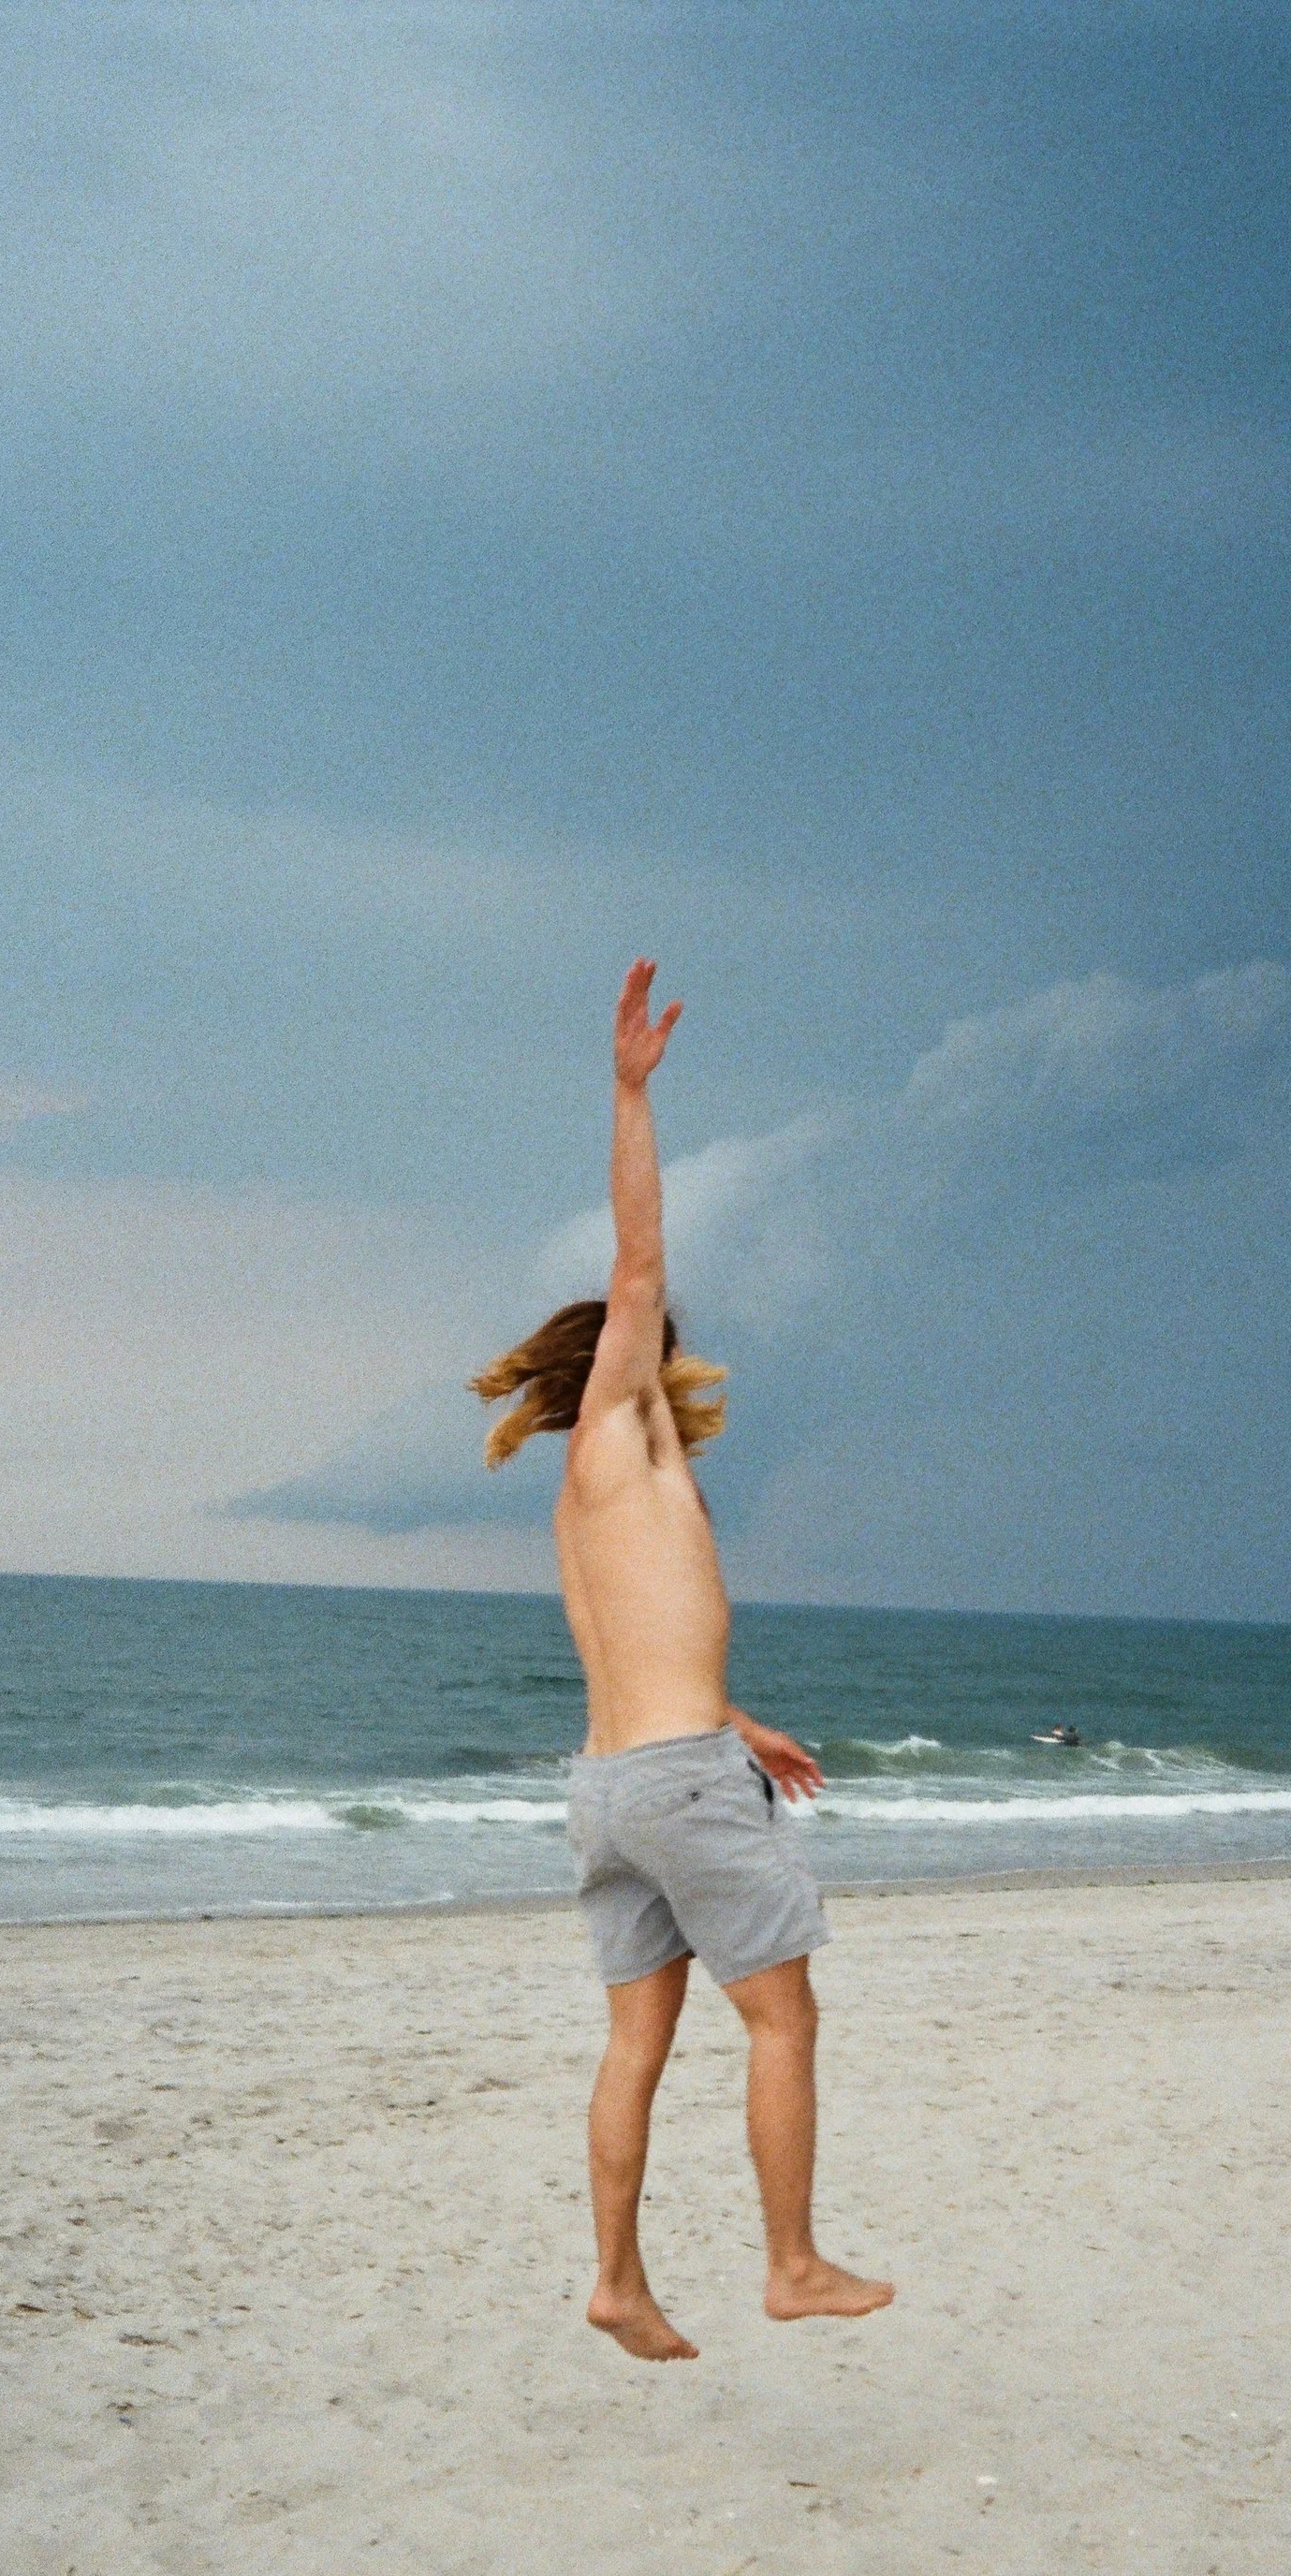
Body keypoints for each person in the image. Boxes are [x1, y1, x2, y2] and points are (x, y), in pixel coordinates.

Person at [469, 960, 894, 2364]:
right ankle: (789, 2260)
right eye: (650, 1346)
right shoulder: (615, 1423)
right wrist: (630, 1091)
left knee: (637, 2044)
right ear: (620, 1360)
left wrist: (738, 1719)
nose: (668, 1352)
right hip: (674, 1781)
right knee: (787, 2013)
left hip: (611, 1785)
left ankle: (619, 2281)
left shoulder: (594, 1493)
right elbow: (640, 1263)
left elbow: (644, 1643)